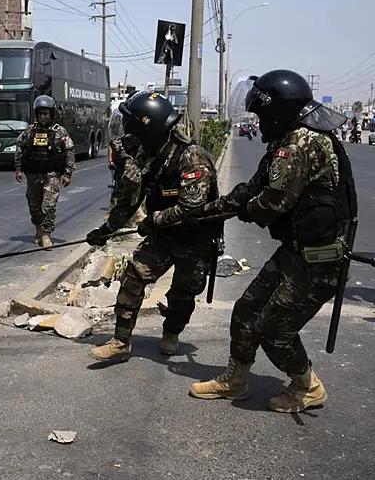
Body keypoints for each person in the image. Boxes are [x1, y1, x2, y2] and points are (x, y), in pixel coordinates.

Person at [187, 69, 356, 413]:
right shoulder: (290, 138)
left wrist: (246, 209)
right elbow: (252, 190)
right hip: (297, 252)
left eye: (262, 113)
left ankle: (307, 386)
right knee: (246, 309)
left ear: (277, 110)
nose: (260, 121)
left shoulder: (300, 142)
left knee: (274, 329)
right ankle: (235, 381)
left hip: (319, 261)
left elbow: (271, 203)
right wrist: (206, 210)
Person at [85, 91, 219, 359]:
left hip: (195, 239)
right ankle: (121, 341)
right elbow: (128, 201)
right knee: (134, 276)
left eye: (132, 127)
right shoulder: (146, 156)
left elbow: (189, 208)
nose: (127, 133)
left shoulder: (192, 158)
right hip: (163, 237)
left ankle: (172, 332)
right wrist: (105, 231)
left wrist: (153, 220)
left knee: (182, 295)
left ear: (149, 127)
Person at [14, 95, 76, 249]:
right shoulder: (30, 131)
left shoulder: (60, 132)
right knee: (34, 206)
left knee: (48, 206)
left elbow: (69, 151)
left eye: (46, 114)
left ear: (52, 114)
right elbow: (19, 147)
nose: (43, 117)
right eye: (40, 114)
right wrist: (18, 168)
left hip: (52, 175)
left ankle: (46, 234)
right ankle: (38, 229)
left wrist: (67, 174)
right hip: (33, 175)